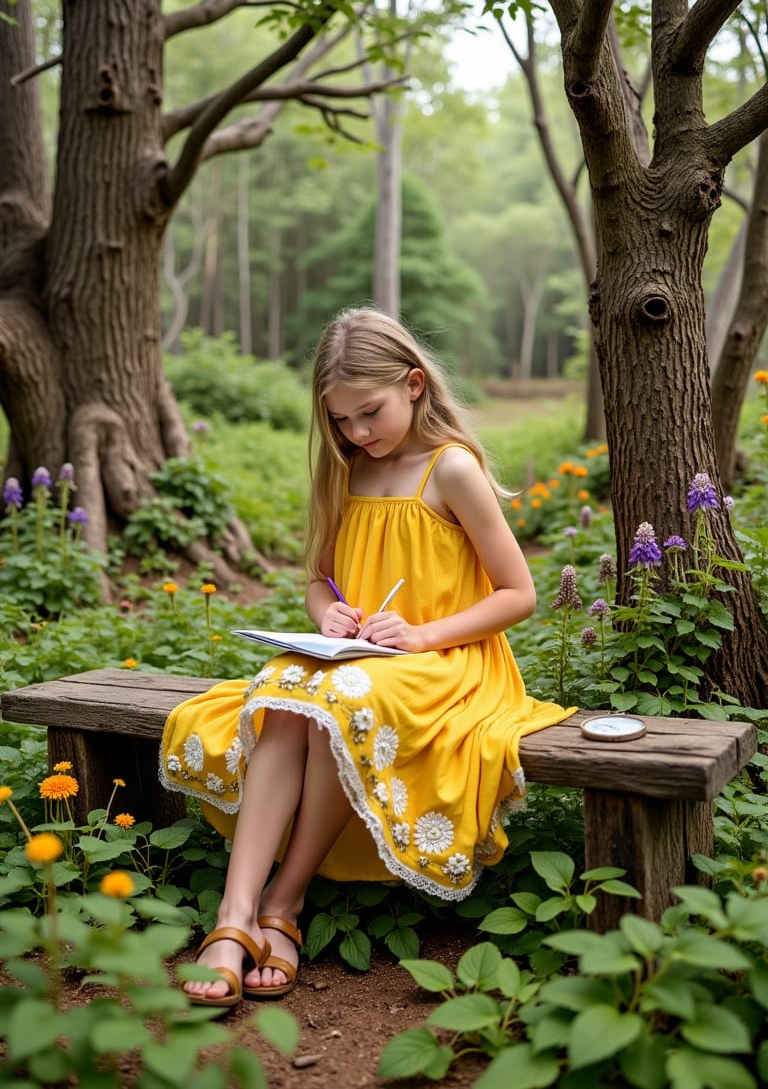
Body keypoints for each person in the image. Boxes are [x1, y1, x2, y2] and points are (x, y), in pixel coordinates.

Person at [159, 305, 577, 1008]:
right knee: (286, 690)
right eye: (341, 420)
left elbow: (518, 593)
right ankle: (236, 916)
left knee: (337, 699)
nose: (356, 432)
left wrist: (419, 635)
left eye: (369, 413)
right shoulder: (346, 470)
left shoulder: (451, 471)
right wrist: (331, 614)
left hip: (447, 664)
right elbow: (317, 580)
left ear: (414, 383)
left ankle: (284, 904)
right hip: (358, 656)